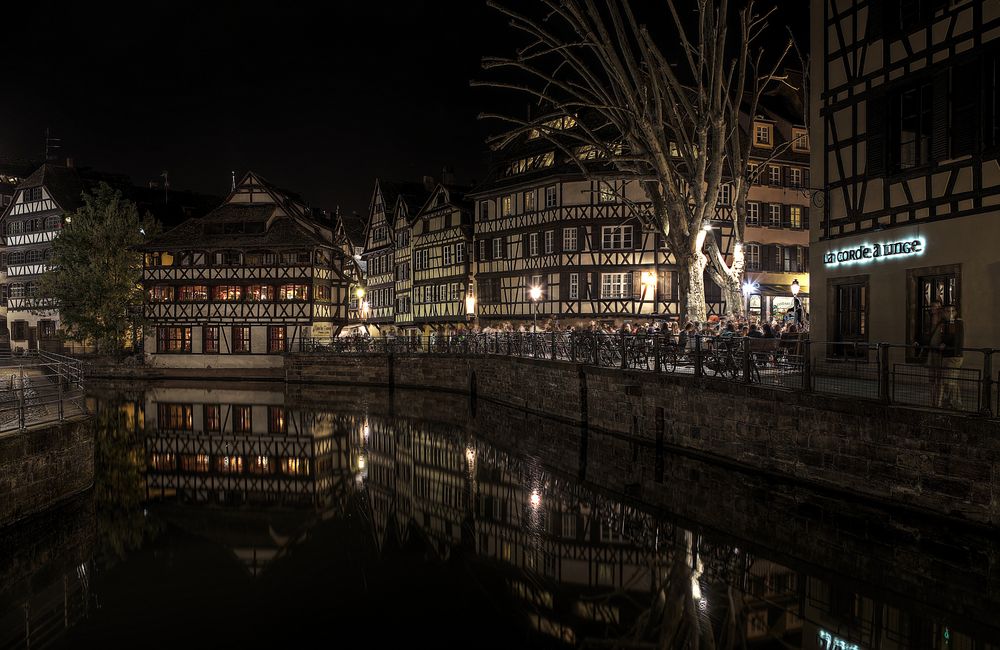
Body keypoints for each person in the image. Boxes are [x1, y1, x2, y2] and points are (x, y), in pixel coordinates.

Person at [931, 305, 965, 409]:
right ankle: (952, 403)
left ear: (955, 312)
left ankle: (953, 404)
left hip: (953, 356)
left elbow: (956, 338)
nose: (949, 313)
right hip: (947, 355)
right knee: (951, 381)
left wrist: (946, 345)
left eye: (952, 311)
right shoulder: (945, 323)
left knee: (950, 381)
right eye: (947, 311)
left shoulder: (956, 322)